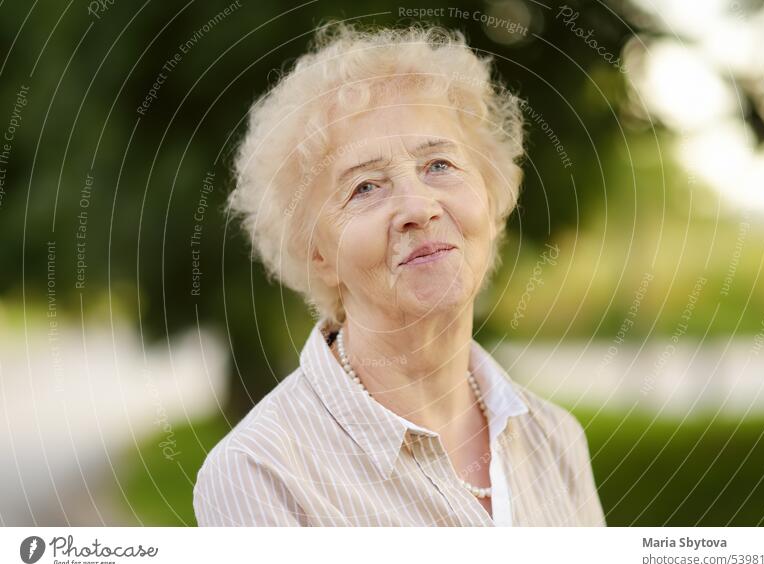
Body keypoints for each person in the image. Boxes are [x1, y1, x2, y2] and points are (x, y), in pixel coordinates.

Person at [193, 22, 605, 527]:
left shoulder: (555, 438)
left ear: (490, 196)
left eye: (438, 165)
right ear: (316, 251)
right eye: (365, 187)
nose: (418, 206)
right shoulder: (261, 473)